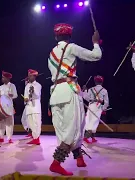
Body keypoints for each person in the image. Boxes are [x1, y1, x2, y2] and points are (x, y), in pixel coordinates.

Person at [48, 23, 101, 175]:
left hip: (56, 92)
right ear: (69, 36)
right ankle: (56, 163)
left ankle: (79, 158)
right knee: (75, 128)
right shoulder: (71, 47)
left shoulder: (51, 53)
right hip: (70, 90)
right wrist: (95, 43)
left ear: (55, 36)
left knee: (62, 129)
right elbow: (96, 56)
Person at [82, 75, 109, 143]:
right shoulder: (104, 91)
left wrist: (85, 90)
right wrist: (103, 108)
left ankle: (93, 137)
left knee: (90, 121)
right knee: (94, 122)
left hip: (91, 106)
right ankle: (86, 137)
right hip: (98, 106)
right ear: (102, 82)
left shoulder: (91, 89)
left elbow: (86, 98)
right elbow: (106, 102)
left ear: (95, 82)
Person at [0, 71, 18, 143]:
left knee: (9, 123)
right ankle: (1, 137)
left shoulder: (12, 86)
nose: (2, 79)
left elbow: (16, 95)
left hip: (9, 107)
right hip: (1, 108)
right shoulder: (1, 87)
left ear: (7, 78)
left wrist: (12, 95)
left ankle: (9, 138)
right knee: (1, 122)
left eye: (3, 77)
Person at [24, 69, 42, 145]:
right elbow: (25, 96)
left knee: (36, 123)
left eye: (30, 76)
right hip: (29, 106)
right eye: (28, 76)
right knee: (30, 123)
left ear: (34, 76)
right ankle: (34, 138)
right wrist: (25, 100)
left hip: (35, 107)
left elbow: (37, 95)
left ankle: (37, 138)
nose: (29, 77)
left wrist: (33, 91)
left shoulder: (38, 85)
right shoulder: (27, 86)